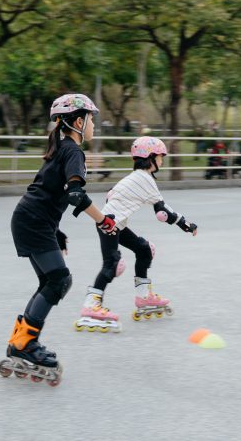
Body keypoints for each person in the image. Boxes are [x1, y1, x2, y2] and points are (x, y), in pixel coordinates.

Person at [0, 94, 118, 384]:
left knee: (50, 281)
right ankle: (26, 344)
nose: (94, 126)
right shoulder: (73, 152)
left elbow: (48, 190)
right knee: (59, 281)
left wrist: (56, 231)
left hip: (32, 220)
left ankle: (20, 340)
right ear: (79, 121)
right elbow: (74, 194)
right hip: (34, 221)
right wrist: (104, 220)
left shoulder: (63, 147)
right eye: (92, 120)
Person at [75, 136, 199, 333]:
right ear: (150, 158)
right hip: (109, 225)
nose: (162, 160)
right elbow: (163, 213)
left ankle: (143, 297)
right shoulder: (145, 179)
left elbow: (110, 195)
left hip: (115, 223)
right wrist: (187, 225)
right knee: (113, 263)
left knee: (144, 249)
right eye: (160, 156)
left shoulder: (135, 177)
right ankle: (91, 304)